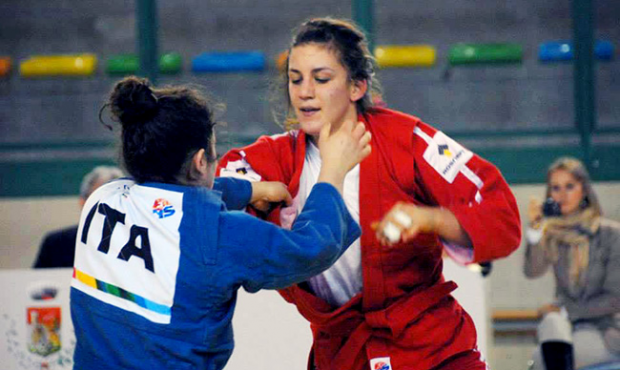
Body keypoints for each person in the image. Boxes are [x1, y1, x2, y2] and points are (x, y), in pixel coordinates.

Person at [217, 17, 522, 370]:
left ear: (357, 86)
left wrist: (431, 218)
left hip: (431, 351)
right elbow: (205, 206)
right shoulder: (270, 159)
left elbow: (502, 215)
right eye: (295, 79)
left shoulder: (407, 140)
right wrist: (249, 190)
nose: (304, 92)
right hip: (342, 356)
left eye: (322, 78)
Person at [70, 76, 371, 369]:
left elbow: (173, 201)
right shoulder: (217, 235)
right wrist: (332, 170)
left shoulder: (102, 199)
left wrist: (251, 189)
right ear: (201, 161)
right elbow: (312, 247)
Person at [524, 157, 620, 370]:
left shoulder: (611, 233)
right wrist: (535, 229)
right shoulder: (553, 234)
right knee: (549, 330)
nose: (562, 195)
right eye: (555, 188)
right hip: (569, 329)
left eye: (569, 186)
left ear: (584, 189)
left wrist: (566, 310)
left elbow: (616, 298)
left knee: (542, 360)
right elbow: (532, 270)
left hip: (608, 330)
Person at [33, 165, 124, 268]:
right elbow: (38, 282)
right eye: (98, 200)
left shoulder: (140, 244)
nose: (107, 208)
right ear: (82, 202)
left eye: (115, 200)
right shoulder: (56, 245)